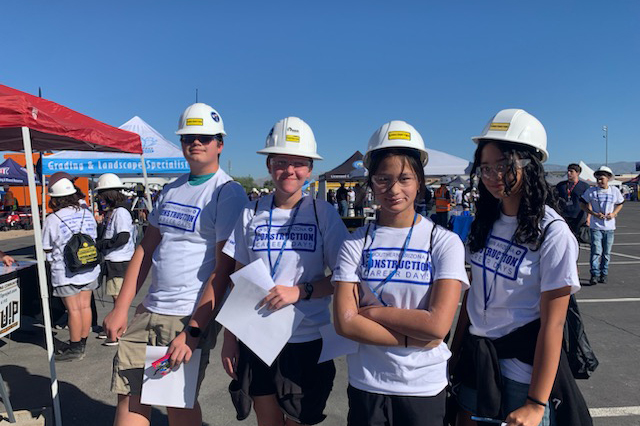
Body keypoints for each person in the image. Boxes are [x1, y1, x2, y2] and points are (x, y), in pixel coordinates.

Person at [104, 102, 247, 426]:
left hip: (185, 315)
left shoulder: (227, 192)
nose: (195, 143)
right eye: (188, 137)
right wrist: (121, 307)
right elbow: (146, 249)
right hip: (150, 309)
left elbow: (222, 270)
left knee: (176, 406)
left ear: (219, 144)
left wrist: (194, 331)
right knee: (129, 395)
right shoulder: (170, 189)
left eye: (204, 137)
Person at [451, 109, 587, 426]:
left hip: (521, 376)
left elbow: (553, 324)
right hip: (477, 364)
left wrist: (536, 404)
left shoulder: (552, 233)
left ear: (530, 165)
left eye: (503, 166)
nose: (492, 176)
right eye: (485, 168)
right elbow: (471, 303)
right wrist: (453, 357)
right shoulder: (485, 224)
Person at [210, 117, 348, 426]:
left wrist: (301, 291)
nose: (289, 170)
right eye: (282, 162)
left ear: (309, 169)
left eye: (298, 163)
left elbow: (343, 278)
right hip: (256, 335)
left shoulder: (322, 213)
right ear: (270, 165)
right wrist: (230, 339)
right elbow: (240, 279)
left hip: (305, 338)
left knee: (300, 420)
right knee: (267, 419)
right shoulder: (252, 211)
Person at [333, 120, 469, 426]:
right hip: (367, 383)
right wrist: (411, 339)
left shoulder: (444, 242)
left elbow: (436, 326)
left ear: (419, 182)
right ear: (371, 183)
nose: (394, 189)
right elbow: (343, 322)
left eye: (404, 179)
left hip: (424, 385)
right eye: (383, 179)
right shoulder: (355, 242)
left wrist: (372, 313)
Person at [42, 177, 100, 361]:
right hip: (89, 266)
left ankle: (74, 348)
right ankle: (81, 342)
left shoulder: (53, 219)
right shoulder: (86, 213)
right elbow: (94, 236)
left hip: (66, 271)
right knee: (85, 306)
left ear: (55, 199)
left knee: (73, 310)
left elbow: (46, 246)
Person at [94, 173, 135, 345]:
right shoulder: (114, 212)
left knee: (119, 298)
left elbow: (123, 237)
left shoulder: (121, 213)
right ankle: (115, 326)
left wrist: (104, 244)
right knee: (115, 297)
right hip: (114, 260)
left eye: (102, 196)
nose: (100, 200)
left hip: (120, 260)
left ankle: (119, 331)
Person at [580, 166, 624, 285]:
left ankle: (604, 273)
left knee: (606, 252)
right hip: (596, 227)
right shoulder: (591, 191)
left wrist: (614, 213)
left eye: (602, 179)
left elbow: (620, 203)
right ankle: (594, 274)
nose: (599, 181)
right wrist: (593, 213)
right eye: (598, 179)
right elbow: (582, 203)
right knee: (596, 251)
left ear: (608, 178)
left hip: (609, 228)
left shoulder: (614, 191)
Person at [556, 164, 590, 236]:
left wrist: (588, 218)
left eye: (571, 171)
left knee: (577, 237)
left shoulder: (584, 186)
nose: (568, 173)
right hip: (564, 215)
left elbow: (588, 203)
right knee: (564, 236)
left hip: (579, 216)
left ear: (578, 173)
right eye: (568, 171)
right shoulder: (561, 185)